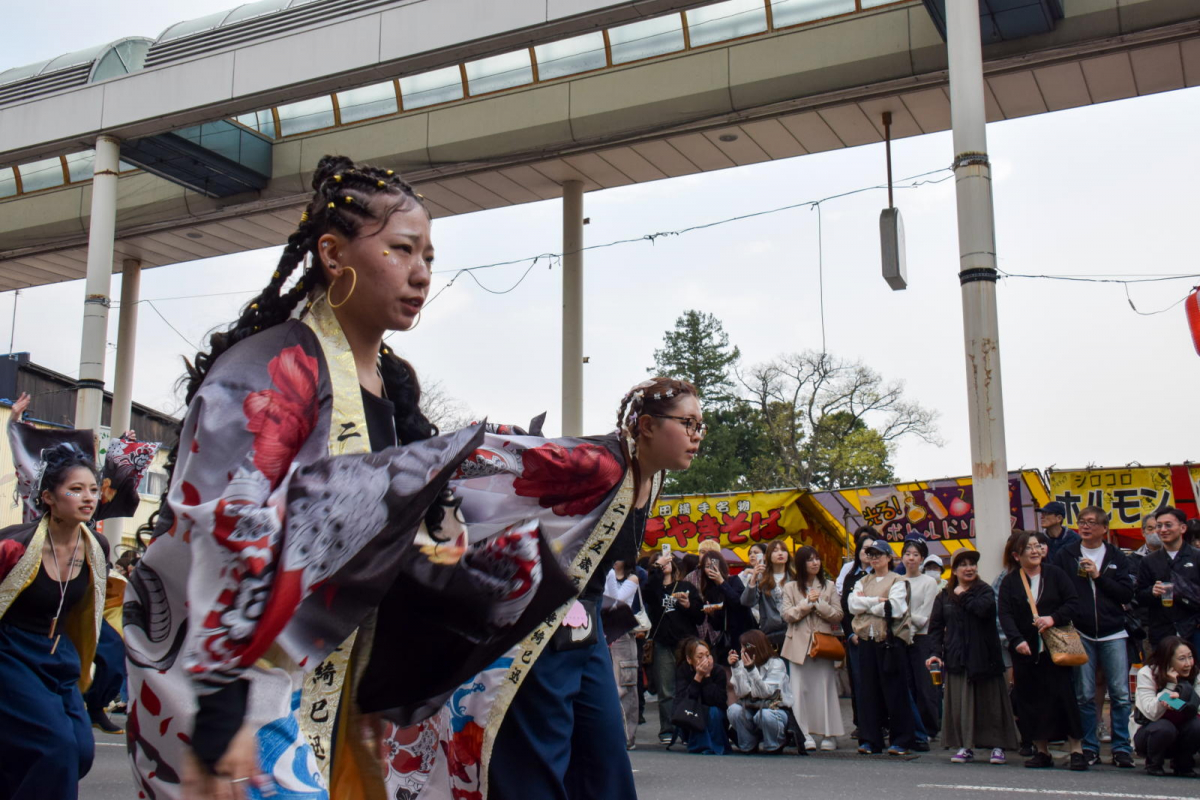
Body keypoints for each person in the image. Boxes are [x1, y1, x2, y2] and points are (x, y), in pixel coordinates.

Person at [122, 155, 588, 800]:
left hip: (326, 681)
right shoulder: (271, 367)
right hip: (229, 681)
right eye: (402, 250)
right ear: (333, 253)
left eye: (428, 255)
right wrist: (224, 704)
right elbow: (226, 522)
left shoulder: (392, 385)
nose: (422, 272)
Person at [486, 376, 706, 800]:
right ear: (645, 426)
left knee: (605, 754)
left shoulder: (653, 477)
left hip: (585, 624)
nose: (697, 436)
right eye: (688, 423)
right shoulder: (598, 462)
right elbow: (510, 462)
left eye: (701, 426)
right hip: (539, 619)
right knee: (537, 756)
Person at [1051, 506, 1135, 768]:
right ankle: (1089, 746)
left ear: (1104, 528)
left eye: (1091, 522)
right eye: (1082, 522)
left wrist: (1098, 577)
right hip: (1079, 631)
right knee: (1084, 694)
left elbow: (1125, 593)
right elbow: (1057, 588)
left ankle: (1122, 748)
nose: (1085, 527)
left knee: (1120, 693)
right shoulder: (1067, 554)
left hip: (1114, 632)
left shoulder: (1116, 556)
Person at [998, 530, 1086, 769]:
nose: (1036, 551)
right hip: (1025, 651)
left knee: (1065, 697)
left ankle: (1076, 749)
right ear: (1017, 555)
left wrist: (1053, 618)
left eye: (1038, 546)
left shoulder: (1056, 574)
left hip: (1056, 649)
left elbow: (1073, 603)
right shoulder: (1010, 581)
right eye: (1030, 548)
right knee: (1030, 699)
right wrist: (1016, 640)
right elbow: (1005, 614)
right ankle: (1041, 750)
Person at [927, 549, 1018, 765]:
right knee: (961, 704)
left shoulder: (984, 590)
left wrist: (962, 595)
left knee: (991, 703)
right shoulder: (944, 596)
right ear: (955, 570)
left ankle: (998, 747)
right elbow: (936, 627)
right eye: (963, 564)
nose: (969, 568)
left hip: (985, 656)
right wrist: (934, 653)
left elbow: (983, 610)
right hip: (957, 657)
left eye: (972, 564)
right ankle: (965, 746)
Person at [848, 538, 916, 756]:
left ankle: (901, 739)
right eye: (871, 554)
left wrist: (866, 603)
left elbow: (894, 608)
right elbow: (852, 605)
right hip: (866, 640)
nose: (875, 558)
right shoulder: (862, 580)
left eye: (879, 554)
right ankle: (870, 739)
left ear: (889, 557)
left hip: (889, 641)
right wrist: (876, 600)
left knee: (894, 690)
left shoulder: (898, 580)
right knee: (867, 691)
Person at [781, 545, 844, 751]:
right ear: (801, 563)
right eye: (810, 559)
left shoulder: (829, 586)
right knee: (799, 691)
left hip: (823, 644)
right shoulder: (790, 587)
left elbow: (837, 615)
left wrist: (820, 605)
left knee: (825, 688)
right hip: (797, 645)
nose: (815, 563)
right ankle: (804, 733)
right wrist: (807, 603)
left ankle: (829, 734)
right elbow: (787, 615)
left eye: (817, 559)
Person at [644, 552, 704, 745]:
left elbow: (700, 617)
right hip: (662, 642)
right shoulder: (653, 589)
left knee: (690, 684)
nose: (665, 564)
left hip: (686, 643)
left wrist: (688, 605)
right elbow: (648, 589)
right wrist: (657, 568)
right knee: (666, 688)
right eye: (660, 562)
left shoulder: (686, 587)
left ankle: (689, 727)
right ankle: (667, 729)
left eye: (668, 561)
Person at [1132, 636, 1199, 776]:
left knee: (1196, 725)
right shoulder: (1147, 673)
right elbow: (1151, 712)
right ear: (1167, 660)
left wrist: (1181, 704)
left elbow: (1197, 709)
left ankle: (1183, 764)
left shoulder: (1195, 675)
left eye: (1190, 657)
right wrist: (1169, 687)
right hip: (1150, 733)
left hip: (1183, 733)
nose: (1188, 664)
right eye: (1182, 659)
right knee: (1164, 727)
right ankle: (1153, 763)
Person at [1137, 507, 1200, 653]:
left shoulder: (1196, 557)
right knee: (1163, 674)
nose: (1162, 530)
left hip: (1194, 629)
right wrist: (1152, 592)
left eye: (1168, 525)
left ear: (1183, 528)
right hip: (1161, 630)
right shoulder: (1149, 561)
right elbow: (1138, 596)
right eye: (1159, 526)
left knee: (1195, 673)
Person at [727, 629, 793, 754]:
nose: (741, 651)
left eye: (744, 647)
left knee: (765, 715)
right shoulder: (742, 663)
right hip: (751, 707)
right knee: (734, 710)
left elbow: (766, 693)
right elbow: (741, 693)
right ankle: (748, 745)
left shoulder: (777, 664)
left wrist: (752, 670)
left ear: (753, 648)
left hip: (775, 708)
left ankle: (774, 745)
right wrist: (736, 668)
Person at [901, 538, 941, 746]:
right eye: (908, 553)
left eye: (916, 554)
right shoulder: (898, 581)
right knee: (907, 684)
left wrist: (906, 620)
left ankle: (929, 728)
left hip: (922, 638)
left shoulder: (929, 582)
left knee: (925, 686)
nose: (911, 558)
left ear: (922, 559)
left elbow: (925, 615)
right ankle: (911, 727)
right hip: (902, 639)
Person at [839, 528, 878, 736]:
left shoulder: (882, 576)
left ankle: (880, 723)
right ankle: (862, 724)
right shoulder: (850, 577)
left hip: (877, 635)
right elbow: (845, 609)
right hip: (855, 637)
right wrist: (850, 634)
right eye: (864, 549)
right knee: (859, 681)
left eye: (872, 549)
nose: (868, 553)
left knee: (878, 681)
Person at [604, 561, 641, 750]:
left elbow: (615, 600)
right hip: (603, 631)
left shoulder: (632, 577)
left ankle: (626, 736)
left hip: (622, 632)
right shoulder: (604, 573)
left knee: (624, 684)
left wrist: (608, 575)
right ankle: (608, 734)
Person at [694, 550, 754, 664]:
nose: (710, 569)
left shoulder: (734, 580)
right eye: (707, 566)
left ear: (720, 565)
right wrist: (711, 614)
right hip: (727, 639)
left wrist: (721, 581)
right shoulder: (709, 590)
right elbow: (717, 626)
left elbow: (739, 603)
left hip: (744, 635)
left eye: (713, 564)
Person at [673, 638, 729, 755]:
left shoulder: (718, 671)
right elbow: (683, 701)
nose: (705, 660)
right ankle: (698, 744)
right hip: (691, 714)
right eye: (700, 656)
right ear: (689, 659)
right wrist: (698, 677)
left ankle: (715, 745)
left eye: (707, 655)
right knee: (700, 711)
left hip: (714, 716)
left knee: (713, 711)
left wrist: (707, 676)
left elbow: (719, 701)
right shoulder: (683, 670)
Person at [742, 539, 793, 652]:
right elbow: (747, 602)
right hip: (771, 633)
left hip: (794, 631)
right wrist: (754, 577)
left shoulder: (795, 578)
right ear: (767, 556)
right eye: (775, 551)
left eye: (783, 550)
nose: (780, 553)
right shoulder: (762, 578)